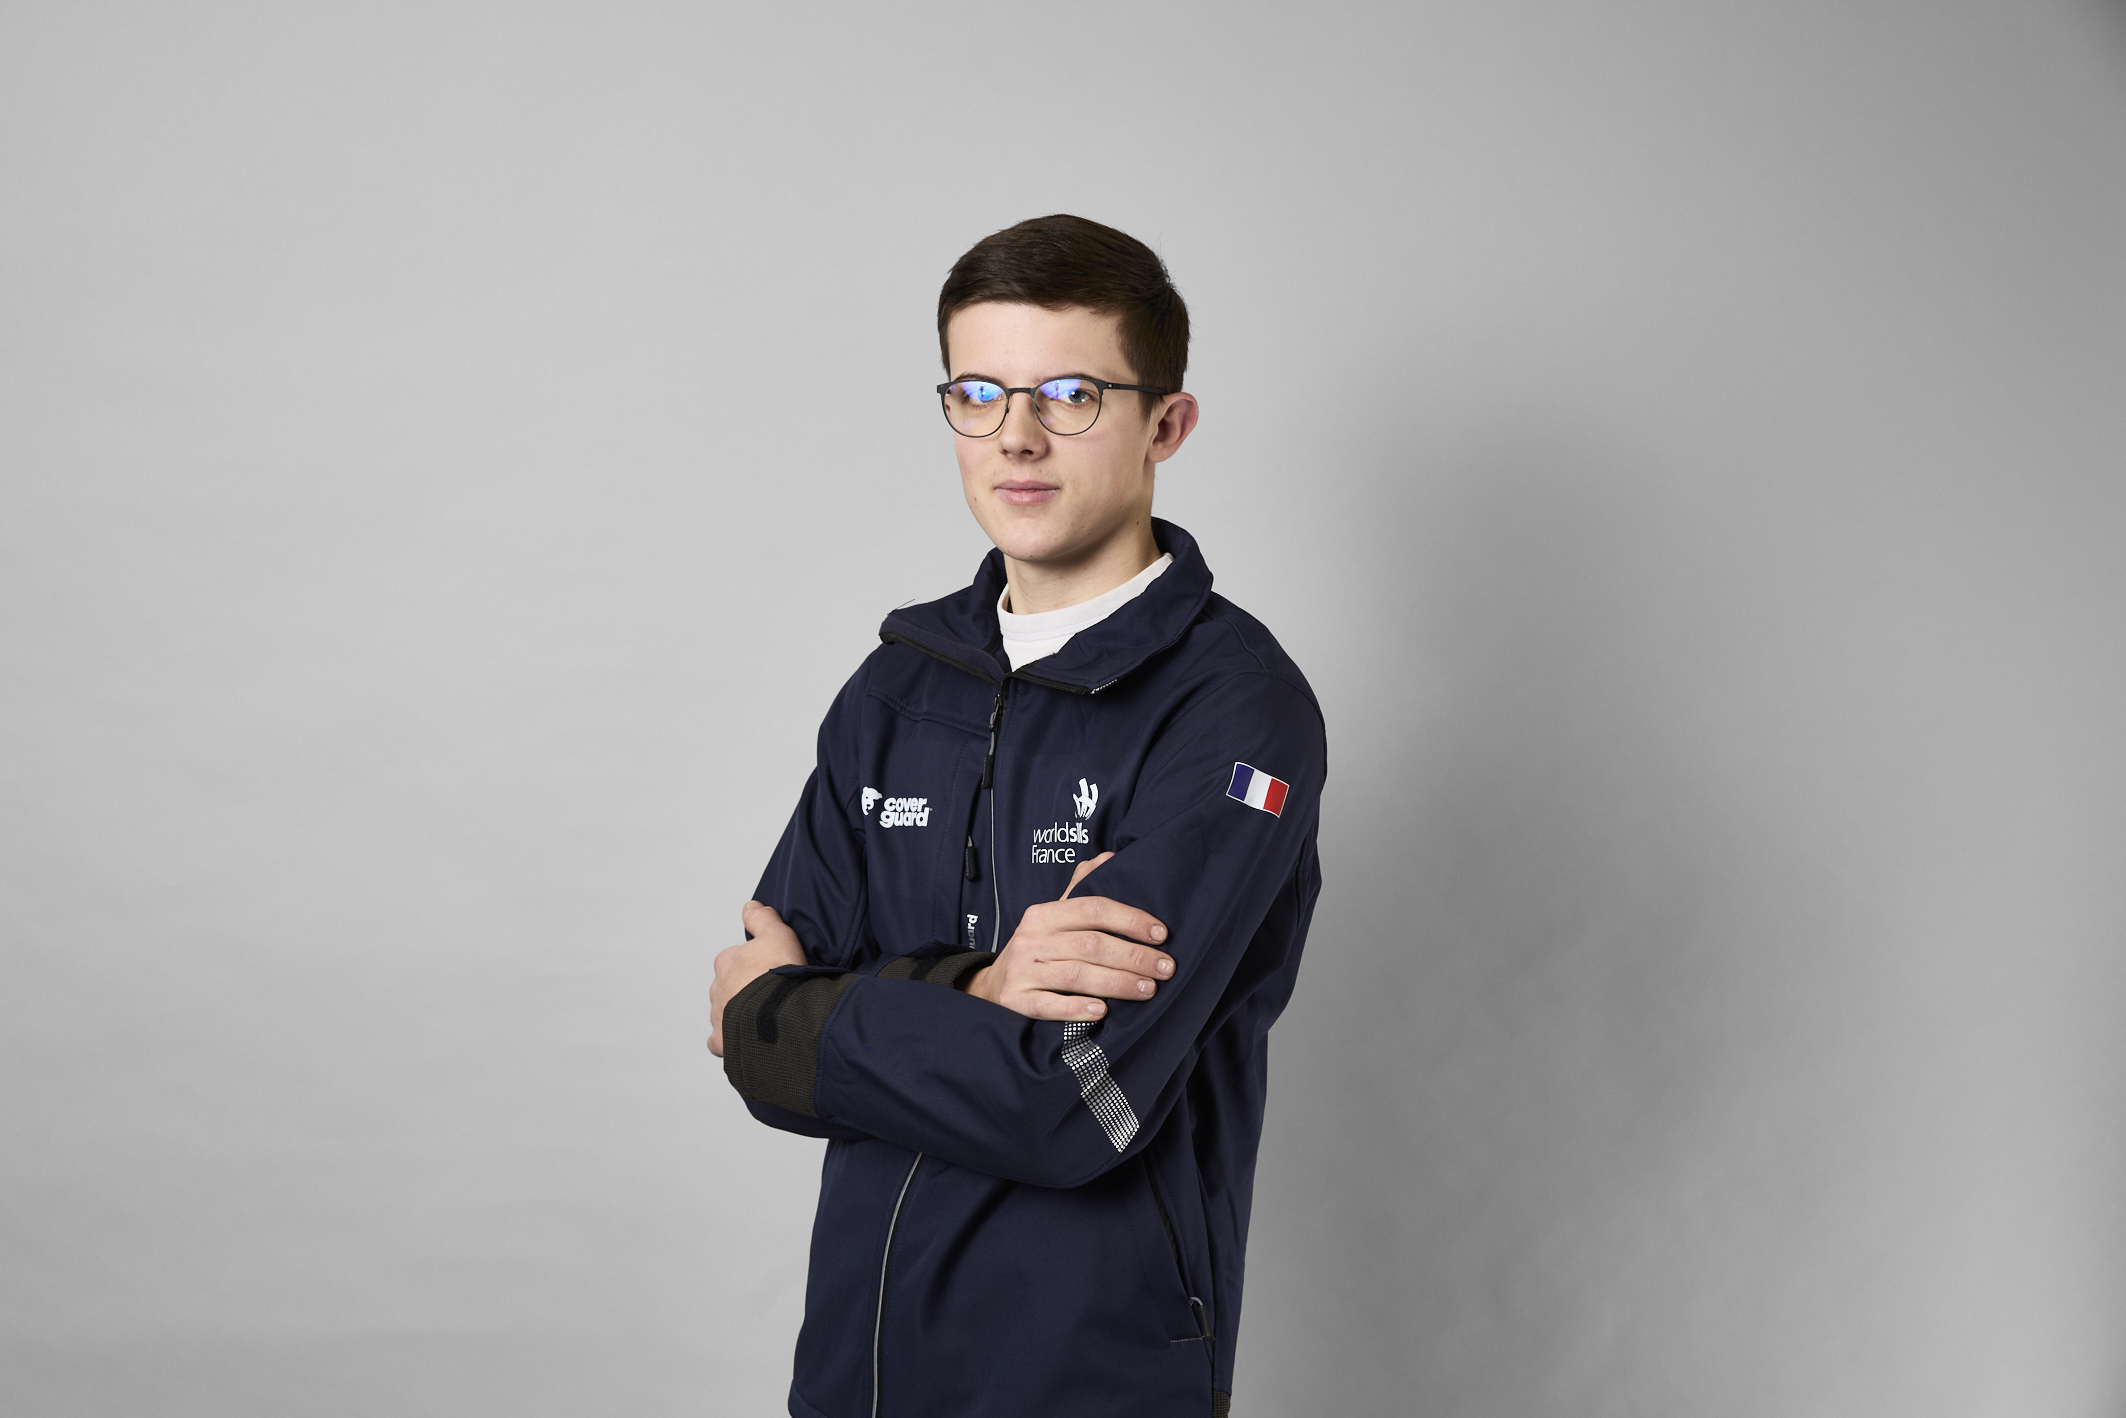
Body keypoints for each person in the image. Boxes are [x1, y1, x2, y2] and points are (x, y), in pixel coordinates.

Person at [708, 214, 1326, 1418]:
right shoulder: (894, 688)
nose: (1016, 435)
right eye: (978, 393)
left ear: (1165, 424)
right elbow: (755, 1044)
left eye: (1071, 394)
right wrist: (979, 989)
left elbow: (1068, 1099)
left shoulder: (1235, 706)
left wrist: (815, 1013)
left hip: (1089, 1378)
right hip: (854, 1377)